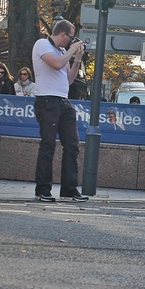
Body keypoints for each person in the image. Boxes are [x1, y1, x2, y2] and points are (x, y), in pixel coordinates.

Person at [32, 19, 88, 202]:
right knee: (48, 144)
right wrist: (71, 51)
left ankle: (69, 189)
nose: (72, 42)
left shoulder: (63, 51)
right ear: (63, 35)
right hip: (47, 100)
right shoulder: (42, 45)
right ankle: (43, 189)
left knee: (72, 144)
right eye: (71, 38)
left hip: (63, 101)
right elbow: (55, 64)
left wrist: (77, 59)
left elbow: (69, 79)